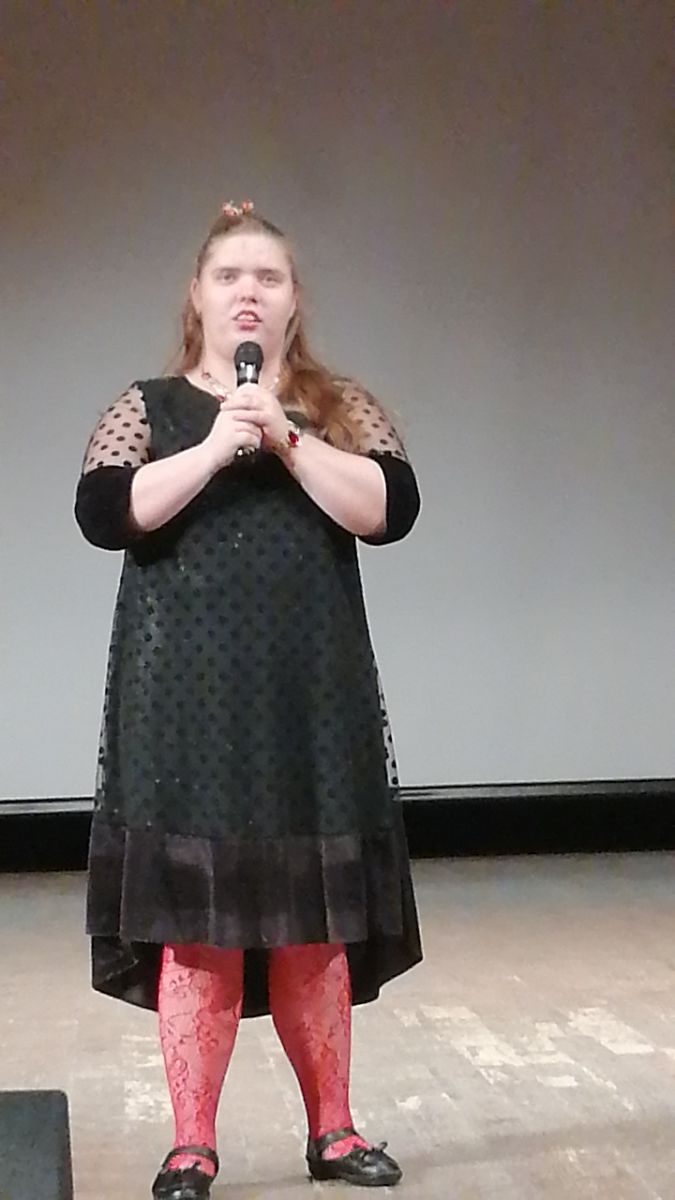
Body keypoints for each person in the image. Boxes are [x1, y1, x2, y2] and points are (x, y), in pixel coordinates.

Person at [74, 199, 423, 1199]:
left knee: (316, 923)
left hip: (311, 700)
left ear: (293, 301)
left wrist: (287, 439)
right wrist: (217, 444)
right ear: (197, 295)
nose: (248, 293)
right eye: (229, 275)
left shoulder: (335, 405)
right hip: (185, 706)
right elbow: (107, 513)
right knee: (199, 930)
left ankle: (334, 1132)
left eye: (268, 277)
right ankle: (192, 1144)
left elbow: (390, 510)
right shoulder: (149, 406)